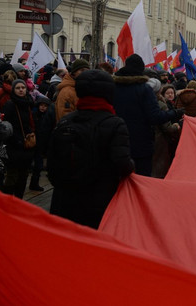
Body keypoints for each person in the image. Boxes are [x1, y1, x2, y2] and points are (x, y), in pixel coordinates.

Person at [48, 70, 134, 229]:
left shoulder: (65, 121)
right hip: (100, 204)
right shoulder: (115, 124)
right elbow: (122, 164)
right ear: (108, 93)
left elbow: (52, 165)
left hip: (65, 202)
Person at [113, 54, 184, 176]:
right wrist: (175, 113)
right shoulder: (144, 90)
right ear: (141, 70)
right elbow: (155, 117)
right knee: (141, 181)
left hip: (117, 142)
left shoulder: (113, 87)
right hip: (141, 144)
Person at [0, 80, 36, 198]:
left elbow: (28, 123)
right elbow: (7, 126)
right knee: (12, 176)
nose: (21, 90)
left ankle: (18, 200)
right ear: (13, 90)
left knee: (23, 175)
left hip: (25, 145)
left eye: (23, 87)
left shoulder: (27, 103)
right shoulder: (10, 104)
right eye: (18, 88)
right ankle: (7, 202)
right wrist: (17, 140)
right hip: (14, 145)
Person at [148, 78, 180, 179]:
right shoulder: (161, 105)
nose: (170, 95)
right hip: (159, 142)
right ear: (161, 92)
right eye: (168, 93)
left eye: (172, 93)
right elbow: (167, 128)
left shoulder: (141, 102)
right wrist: (176, 126)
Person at [28, 95, 54, 191]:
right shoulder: (34, 115)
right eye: (41, 105)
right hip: (34, 143)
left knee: (38, 166)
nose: (43, 107)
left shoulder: (48, 117)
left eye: (45, 106)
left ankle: (34, 183)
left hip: (41, 144)